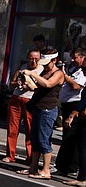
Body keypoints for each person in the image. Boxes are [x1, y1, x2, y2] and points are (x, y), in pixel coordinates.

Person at [20, 48, 64, 179]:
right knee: (35, 139)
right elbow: (37, 87)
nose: (44, 66)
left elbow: (48, 84)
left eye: (46, 63)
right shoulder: (45, 72)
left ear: (54, 60)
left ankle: (45, 170)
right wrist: (27, 81)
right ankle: (33, 167)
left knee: (44, 139)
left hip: (48, 109)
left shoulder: (58, 73)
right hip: (38, 107)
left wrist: (33, 74)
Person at [4, 49, 41, 163]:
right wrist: (17, 83)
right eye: (31, 58)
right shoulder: (22, 67)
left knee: (30, 129)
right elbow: (11, 83)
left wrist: (30, 86)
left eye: (36, 59)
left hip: (29, 100)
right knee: (12, 128)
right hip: (16, 98)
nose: (33, 61)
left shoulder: (41, 70)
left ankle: (30, 157)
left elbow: (41, 87)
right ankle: (10, 155)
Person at [57, 48, 86, 176]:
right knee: (67, 135)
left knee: (71, 136)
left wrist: (64, 76)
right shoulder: (71, 68)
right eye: (72, 57)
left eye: (75, 58)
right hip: (66, 105)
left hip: (76, 105)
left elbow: (76, 86)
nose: (72, 60)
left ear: (82, 57)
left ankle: (70, 167)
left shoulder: (82, 72)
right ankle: (65, 165)